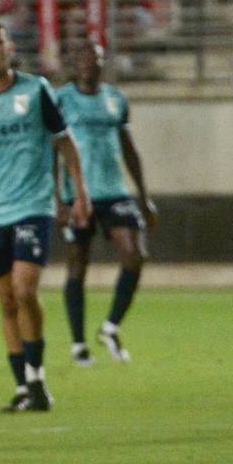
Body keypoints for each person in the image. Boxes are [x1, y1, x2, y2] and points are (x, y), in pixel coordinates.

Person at [0, 21, 91, 411]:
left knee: (25, 290)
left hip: (34, 206)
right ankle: (25, 385)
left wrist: (79, 194)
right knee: (6, 300)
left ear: (10, 49)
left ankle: (38, 378)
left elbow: (65, 143)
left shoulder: (36, 90)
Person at [56, 42, 157, 365]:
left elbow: (129, 148)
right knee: (77, 262)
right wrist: (57, 198)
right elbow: (49, 151)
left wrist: (144, 196)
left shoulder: (116, 99)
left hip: (115, 190)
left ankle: (110, 326)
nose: (89, 64)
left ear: (102, 64)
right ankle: (78, 344)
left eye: (95, 59)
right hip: (77, 193)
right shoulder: (61, 100)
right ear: (74, 63)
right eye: (83, 58)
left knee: (135, 253)